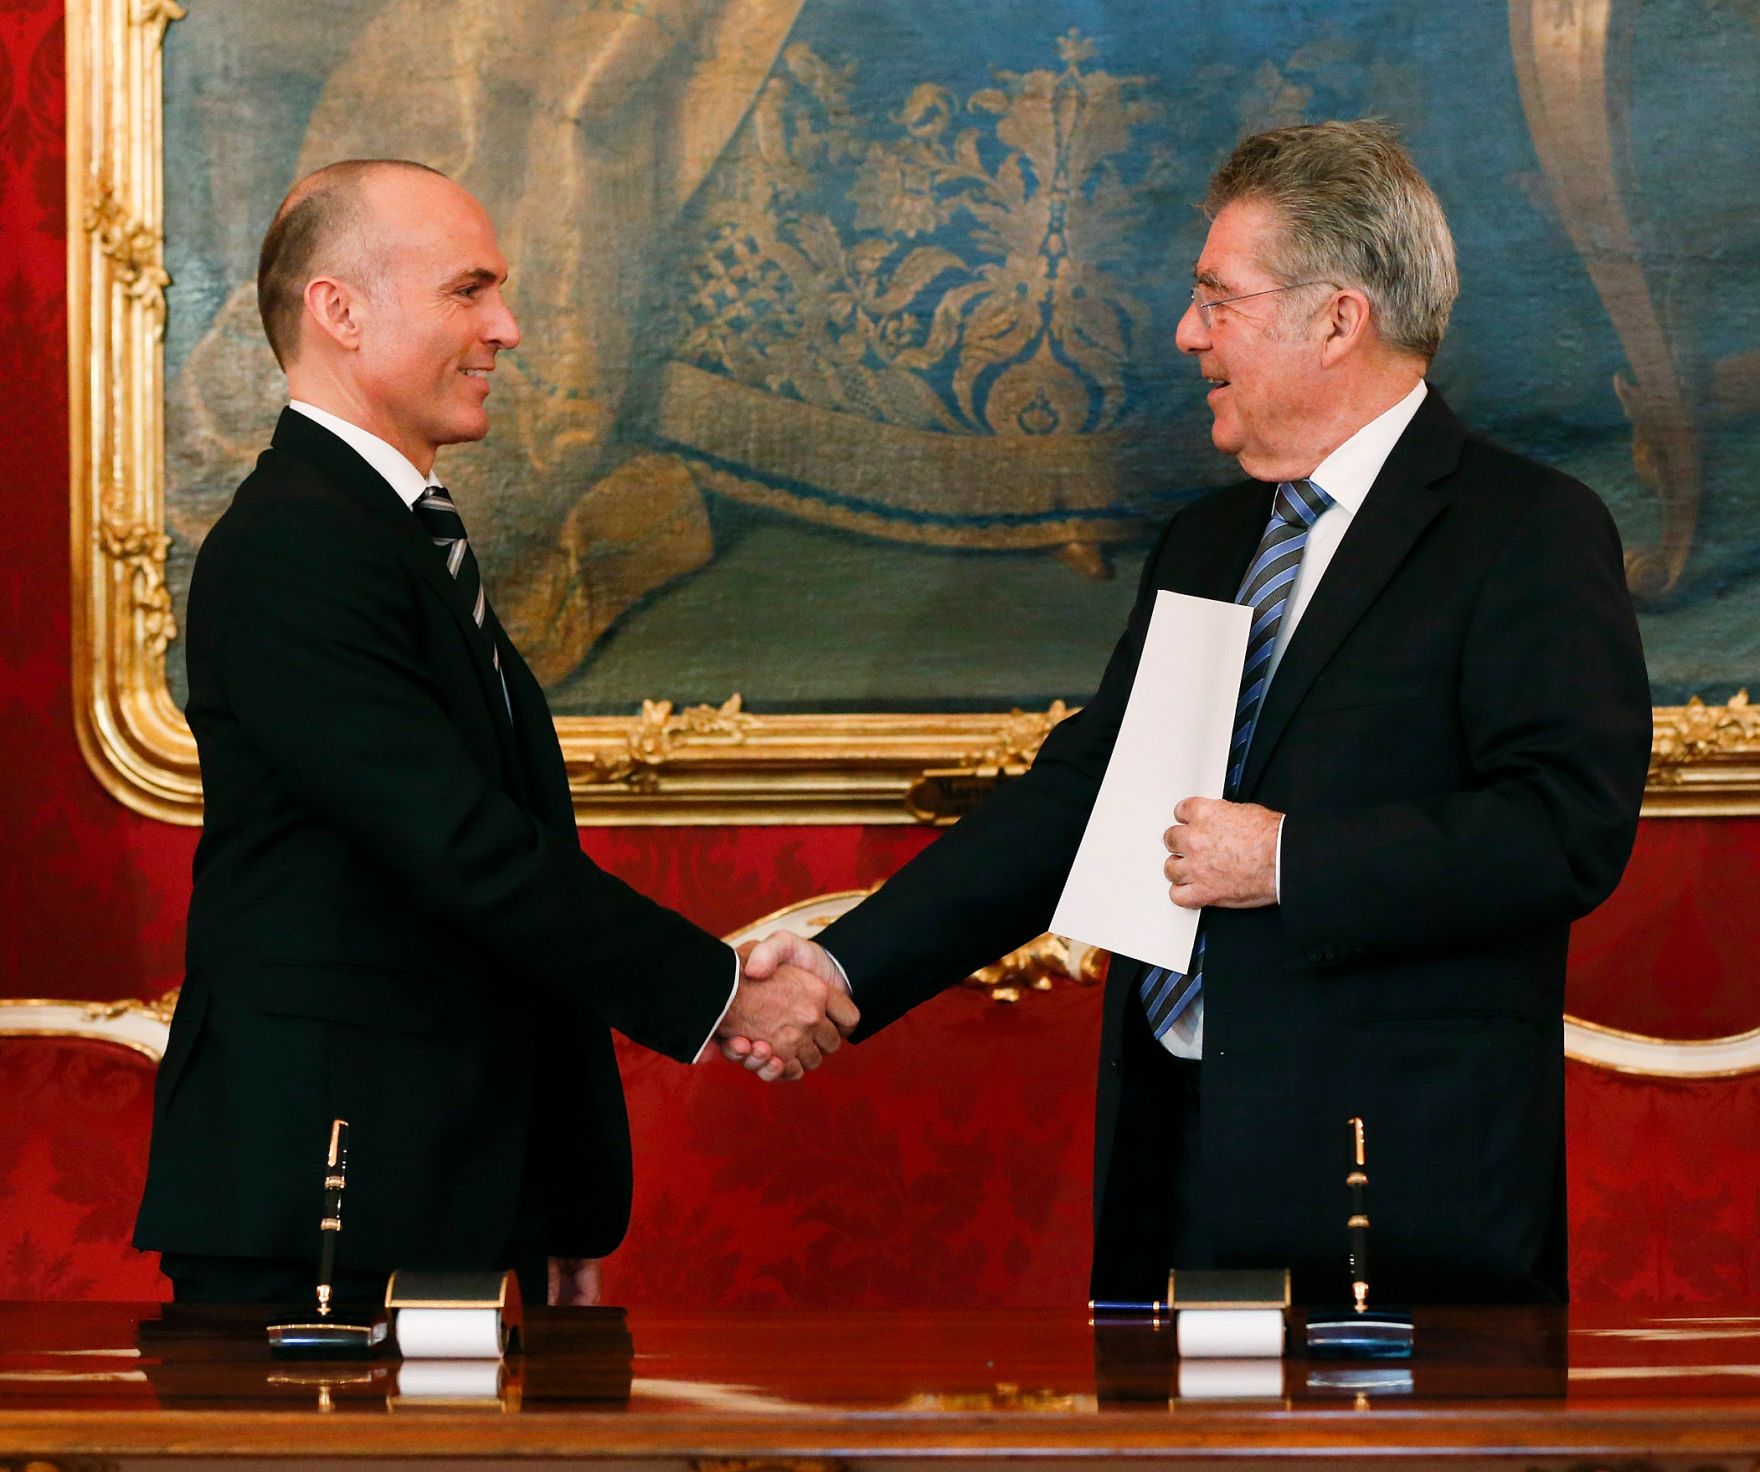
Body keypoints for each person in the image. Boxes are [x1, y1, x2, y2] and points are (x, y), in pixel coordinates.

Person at [736, 121, 1652, 1304]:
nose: (1186, 334)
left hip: (1389, 1178)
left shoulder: (1524, 530)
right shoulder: (1210, 541)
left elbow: (1562, 825)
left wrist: (1288, 857)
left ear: (1335, 318)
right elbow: (1085, 797)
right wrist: (839, 968)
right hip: (1176, 1152)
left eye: (1215, 299)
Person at [134, 159, 856, 1307]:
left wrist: (562, 1189)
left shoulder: (383, 532)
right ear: (340, 309)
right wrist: (721, 990)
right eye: (469, 291)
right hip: (325, 1197)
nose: (506, 328)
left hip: (428, 1185)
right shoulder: (293, 547)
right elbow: (458, 846)